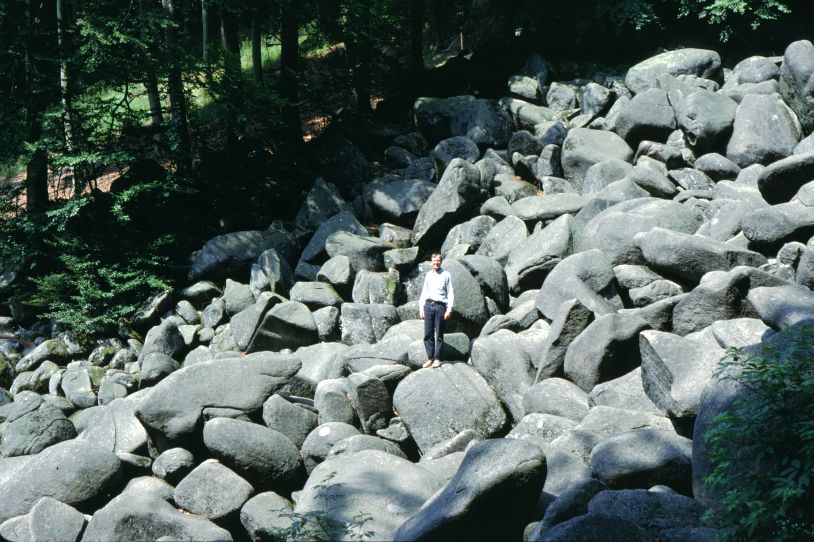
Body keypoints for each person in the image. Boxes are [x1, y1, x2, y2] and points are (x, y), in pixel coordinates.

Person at [418, 252, 454, 368]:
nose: (436, 263)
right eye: (434, 261)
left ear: (441, 261)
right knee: (428, 334)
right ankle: (430, 358)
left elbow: (451, 293)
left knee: (439, 334)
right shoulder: (428, 275)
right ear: (431, 262)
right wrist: (421, 308)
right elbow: (424, 292)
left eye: (438, 261)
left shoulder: (446, 275)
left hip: (440, 306)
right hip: (428, 305)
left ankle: (437, 358)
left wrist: (449, 309)